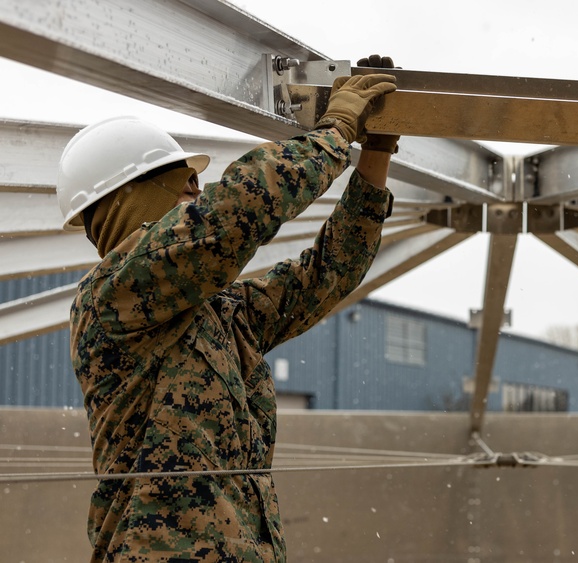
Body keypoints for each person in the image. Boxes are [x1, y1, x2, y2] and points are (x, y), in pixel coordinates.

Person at [56, 55, 401, 562]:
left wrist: (375, 154)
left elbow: (328, 272)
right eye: (185, 182)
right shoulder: (112, 297)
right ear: (127, 197)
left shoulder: (218, 313)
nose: (198, 193)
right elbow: (240, 209)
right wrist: (336, 131)